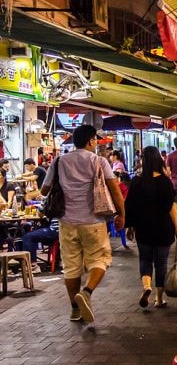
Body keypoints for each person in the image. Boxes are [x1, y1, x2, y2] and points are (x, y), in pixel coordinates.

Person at [41, 125, 126, 323]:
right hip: (93, 221)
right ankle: (86, 293)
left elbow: (44, 190)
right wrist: (121, 214)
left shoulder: (59, 161)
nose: (96, 143)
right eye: (95, 140)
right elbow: (114, 191)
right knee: (100, 259)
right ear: (90, 141)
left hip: (67, 222)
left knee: (71, 267)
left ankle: (74, 309)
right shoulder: (99, 161)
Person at [124, 146, 177, 309]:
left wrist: (130, 227)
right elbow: (171, 207)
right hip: (163, 228)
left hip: (143, 227)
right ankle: (159, 298)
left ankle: (146, 286)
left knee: (145, 259)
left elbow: (130, 206)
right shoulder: (165, 182)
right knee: (161, 263)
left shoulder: (137, 181)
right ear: (158, 160)